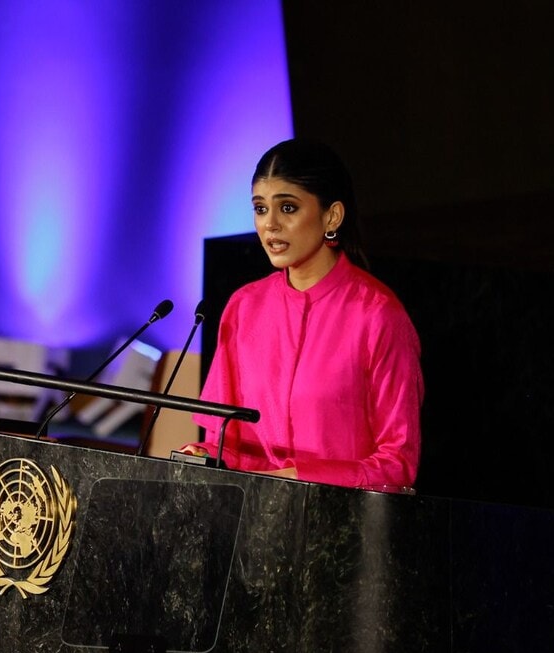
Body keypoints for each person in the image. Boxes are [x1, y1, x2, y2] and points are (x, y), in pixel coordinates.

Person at [180, 138, 423, 489]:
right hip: (251, 524)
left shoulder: (379, 316)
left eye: (288, 208)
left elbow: (397, 465)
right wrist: (198, 455)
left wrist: (299, 479)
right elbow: (227, 445)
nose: (270, 225)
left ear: (332, 215)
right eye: (261, 209)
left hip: (341, 531)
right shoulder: (244, 306)